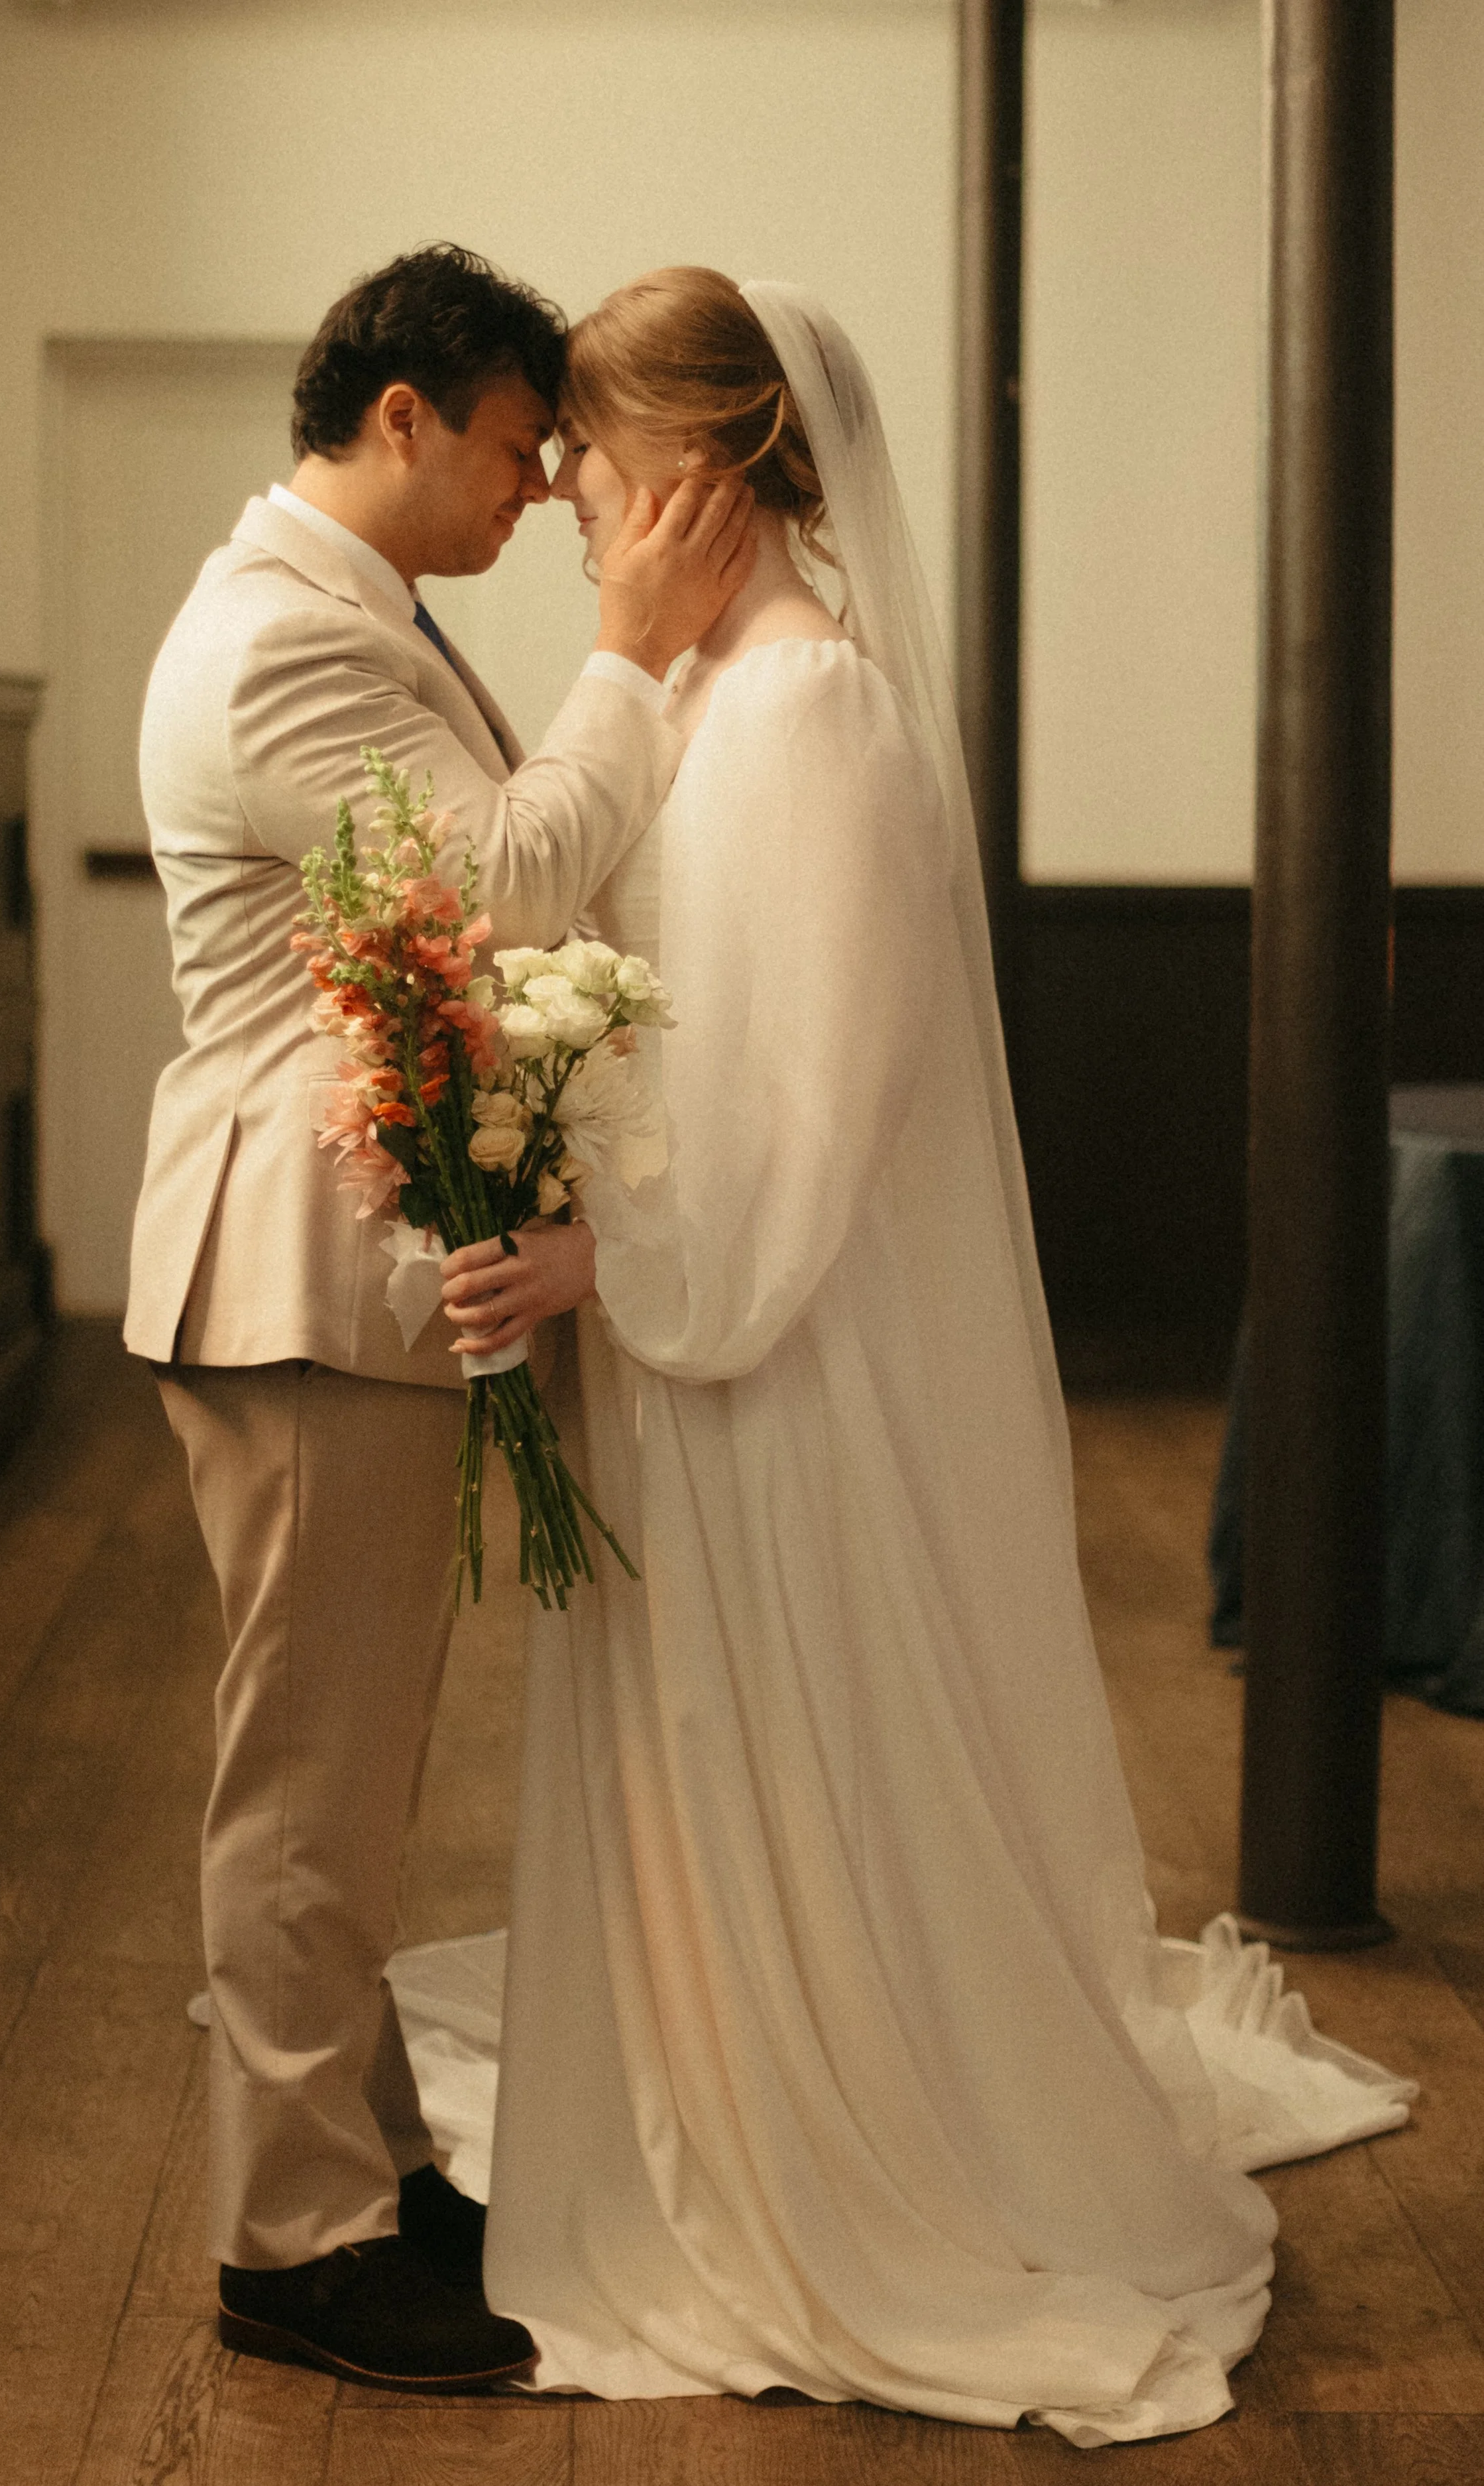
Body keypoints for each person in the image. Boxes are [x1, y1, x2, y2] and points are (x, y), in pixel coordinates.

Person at [434, 270, 1415, 2446]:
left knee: (792, 1761)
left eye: (589, 459)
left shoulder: (811, 718)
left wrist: (605, 1250)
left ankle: (824, 2152)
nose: (573, 503)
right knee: (707, 1778)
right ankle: (727, 2094)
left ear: (696, 469)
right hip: (697, 1342)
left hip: (768, 1363)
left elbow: (810, 1118)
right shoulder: (708, 705)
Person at [123, 243, 754, 2394]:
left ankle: (369, 2161)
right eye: (510, 445)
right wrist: (632, 653)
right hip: (289, 1267)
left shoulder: (349, 614)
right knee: (303, 1782)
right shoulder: (280, 646)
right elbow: (494, 882)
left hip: (341, 1261)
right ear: (398, 414)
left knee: (343, 1767)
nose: (536, 489)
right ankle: (292, 2242)